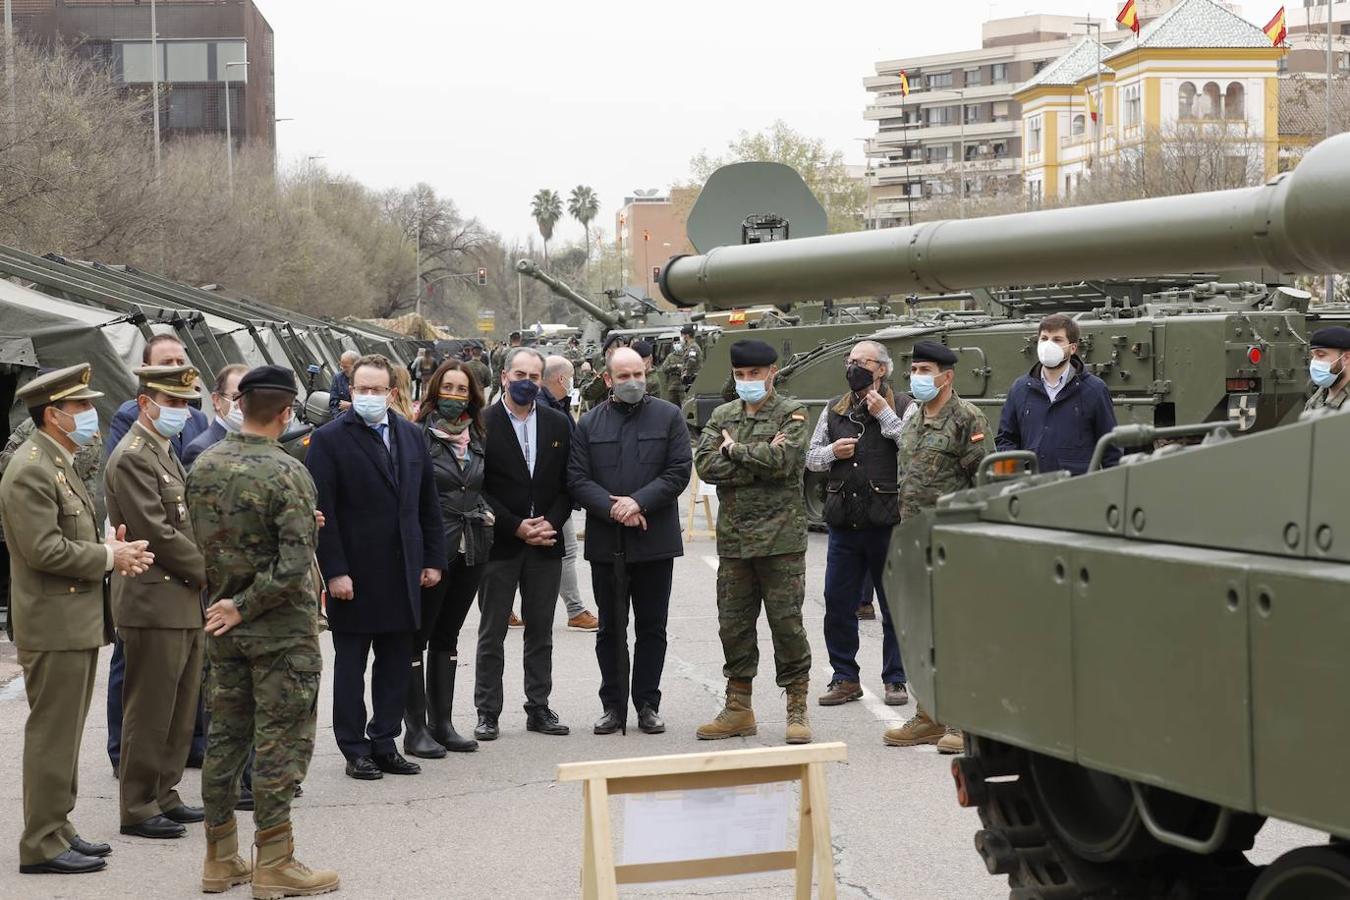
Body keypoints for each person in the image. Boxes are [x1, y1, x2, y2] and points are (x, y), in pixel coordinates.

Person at [186, 364, 339, 897]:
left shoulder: (203, 463)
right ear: (285, 412)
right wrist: (245, 605)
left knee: (225, 738)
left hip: (222, 625)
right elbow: (294, 564)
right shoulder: (288, 472)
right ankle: (275, 861)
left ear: (240, 406)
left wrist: (227, 604)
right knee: (281, 743)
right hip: (279, 632)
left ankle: (220, 857)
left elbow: (209, 540)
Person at [1, 363, 154, 875]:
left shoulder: (57, 461)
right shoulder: (30, 468)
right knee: (52, 733)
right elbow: (43, 549)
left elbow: (67, 537)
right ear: (53, 415)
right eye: (80, 406)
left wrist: (106, 547)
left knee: (65, 734)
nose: (90, 414)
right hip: (52, 621)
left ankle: (58, 826)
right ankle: (41, 843)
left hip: (73, 617)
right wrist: (110, 559)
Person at [306, 354, 445, 781]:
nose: (368, 396)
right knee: (351, 666)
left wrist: (433, 560)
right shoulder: (329, 440)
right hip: (355, 575)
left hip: (403, 572)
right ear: (350, 391)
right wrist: (335, 572)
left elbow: (427, 503)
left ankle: (385, 741)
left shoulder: (410, 435)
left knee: (395, 663)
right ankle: (355, 749)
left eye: (376, 389)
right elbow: (322, 510)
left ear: (392, 393)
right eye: (361, 389)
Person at [104, 364, 208, 840]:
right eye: (172, 403)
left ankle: (165, 792)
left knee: (180, 705)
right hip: (152, 599)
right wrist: (210, 571)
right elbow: (156, 532)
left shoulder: (162, 451)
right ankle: (138, 805)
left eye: (186, 403)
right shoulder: (132, 457)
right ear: (146, 404)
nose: (181, 412)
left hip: (179, 599)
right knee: (149, 708)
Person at [693, 339, 813, 745]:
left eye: (755, 375)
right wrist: (757, 456)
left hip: (782, 541)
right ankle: (739, 707)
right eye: (741, 375)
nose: (748, 381)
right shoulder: (724, 413)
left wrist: (736, 450)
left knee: (787, 625)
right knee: (734, 626)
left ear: (771, 373)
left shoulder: (792, 412)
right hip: (735, 541)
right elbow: (706, 465)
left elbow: (786, 463)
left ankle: (796, 707)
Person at [568, 347, 691, 735]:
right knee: (610, 629)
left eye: (638, 374)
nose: (633, 382)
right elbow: (577, 478)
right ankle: (613, 706)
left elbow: (678, 471)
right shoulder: (588, 423)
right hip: (608, 541)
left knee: (652, 628)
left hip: (654, 539)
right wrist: (613, 508)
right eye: (623, 376)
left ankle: (647, 704)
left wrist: (638, 502)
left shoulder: (669, 416)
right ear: (608, 380)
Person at [883, 341, 991, 755]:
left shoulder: (967, 418)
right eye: (914, 369)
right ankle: (928, 715)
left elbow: (983, 479)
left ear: (947, 376)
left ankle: (962, 722)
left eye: (925, 369)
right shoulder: (913, 418)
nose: (917, 376)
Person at [806, 340, 913, 710]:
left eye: (861, 362)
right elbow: (811, 458)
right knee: (838, 604)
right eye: (849, 361)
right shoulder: (833, 409)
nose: (853, 367)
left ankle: (895, 679)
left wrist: (884, 414)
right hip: (843, 524)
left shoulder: (903, 406)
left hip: (887, 522)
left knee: (894, 605)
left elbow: (912, 448)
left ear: (881, 369)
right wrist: (832, 452)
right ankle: (844, 677)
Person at [474, 347, 573, 740]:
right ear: (503, 376)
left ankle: (539, 707)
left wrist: (549, 523)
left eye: (534, 377)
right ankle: (488, 711)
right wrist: (515, 526)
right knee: (492, 631)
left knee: (541, 631)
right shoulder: (482, 423)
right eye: (520, 374)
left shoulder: (557, 423)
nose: (526, 382)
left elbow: (570, 483)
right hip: (499, 544)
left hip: (546, 543)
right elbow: (476, 486)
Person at [403, 361, 493, 758]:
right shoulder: (417, 436)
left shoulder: (478, 437)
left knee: (449, 635)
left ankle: (443, 723)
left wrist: (486, 510)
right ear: (434, 390)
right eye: (448, 387)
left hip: (472, 546)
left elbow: (485, 484)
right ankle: (415, 728)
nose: (454, 396)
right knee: (417, 637)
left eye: (462, 389)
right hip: (434, 550)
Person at [996, 314, 1120, 475]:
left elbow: (1110, 447)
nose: (1048, 345)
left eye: (1057, 340)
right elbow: (1006, 439)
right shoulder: (1020, 389)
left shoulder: (1094, 390)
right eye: (1044, 338)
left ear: (1073, 348)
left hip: (1077, 489)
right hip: (1031, 488)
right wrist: (1011, 479)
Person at [539, 355, 599, 632]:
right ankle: (576, 610)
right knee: (566, 553)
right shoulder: (546, 409)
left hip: (556, 494)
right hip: (552, 495)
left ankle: (504, 609)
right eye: (571, 376)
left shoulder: (554, 405)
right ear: (562, 379)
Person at [182, 364, 248, 469]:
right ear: (217, 400)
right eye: (237, 397)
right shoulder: (201, 450)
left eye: (251, 397)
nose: (245, 404)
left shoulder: (261, 442)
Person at [1306, 326, 1350, 414]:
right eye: (1313, 356)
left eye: (1321, 355)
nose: (1314, 362)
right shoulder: (1318, 396)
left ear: (1346, 358)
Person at [661, 325, 703, 407]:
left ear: (686, 336)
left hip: (692, 379)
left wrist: (685, 372)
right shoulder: (689, 347)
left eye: (682, 335)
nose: (681, 338)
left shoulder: (693, 347)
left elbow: (692, 360)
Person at [329, 350, 359, 417]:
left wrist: (351, 406)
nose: (343, 369)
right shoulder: (338, 378)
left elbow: (369, 406)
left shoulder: (367, 380)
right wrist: (338, 419)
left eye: (346, 367)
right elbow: (333, 404)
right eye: (341, 366)